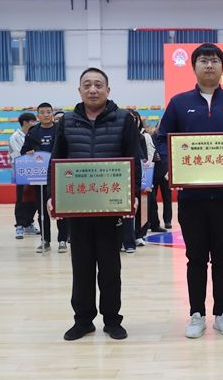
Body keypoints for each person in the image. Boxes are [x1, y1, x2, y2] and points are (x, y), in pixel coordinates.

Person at [156, 43, 223, 339]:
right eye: (203, 60)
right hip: (191, 197)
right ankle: (196, 314)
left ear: (222, 67)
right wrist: (172, 167)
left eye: (214, 60)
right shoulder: (178, 102)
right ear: (194, 67)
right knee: (196, 257)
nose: (209, 65)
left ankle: (222, 313)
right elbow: (162, 139)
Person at [47, 67, 141, 341]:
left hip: (111, 205)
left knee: (111, 266)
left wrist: (133, 194)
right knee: (82, 266)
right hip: (78, 206)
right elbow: (56, 160)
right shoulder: (67, 121)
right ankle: (83, 320)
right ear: (79, 90)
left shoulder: (123, 119)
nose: (92, 89)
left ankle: (112, 320)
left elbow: (133, 159)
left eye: (98, 85)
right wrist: (53, 196)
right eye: (87, 85)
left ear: (108, 90)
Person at [22, 102, 68, 253]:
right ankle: (45, 240)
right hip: (40, 176)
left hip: (59, 174)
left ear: (53, 114)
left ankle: (62, 240)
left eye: (49, 112)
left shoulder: (60, 129)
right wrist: (28, 152)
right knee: (42, 209)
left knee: (61, 208)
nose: (46, 115)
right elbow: (24, 150)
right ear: (38, 116)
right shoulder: (33, 131)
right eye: (42, 112)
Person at [121, 110, 155, 253]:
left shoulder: (142, 136)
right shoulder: (119, 135)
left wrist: (147, 179)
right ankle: (123, 240)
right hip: (121, 177)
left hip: (140, 176)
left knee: (141, 207)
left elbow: (146, 158)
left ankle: (138, 235)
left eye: (134, 118)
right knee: (124, 210)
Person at [8, 112, 39, 240]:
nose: (35, 124)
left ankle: (28, 223)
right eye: (33, 121)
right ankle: (20, 225)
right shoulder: (15, 137)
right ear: (25, 122)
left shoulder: (34, 134)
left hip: (36, 172)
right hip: (21, 171)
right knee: (21, 199)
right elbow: (20, 153)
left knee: (34, 199)